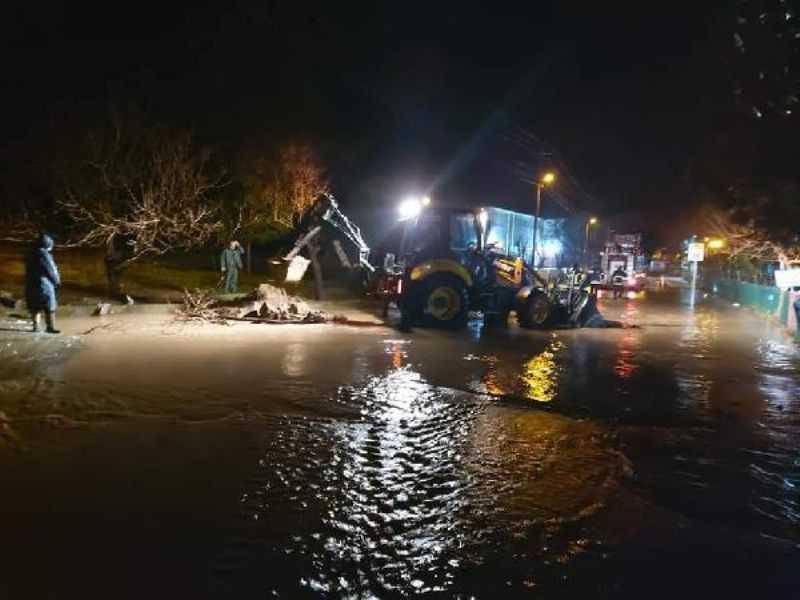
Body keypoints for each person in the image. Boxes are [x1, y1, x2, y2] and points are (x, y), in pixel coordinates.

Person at [25, 233, 61, 334]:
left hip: (31, 284)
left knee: (35, 306)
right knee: (49, 306)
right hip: (44, 285)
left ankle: (36, 327)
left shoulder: (30, 253)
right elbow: (51, 270)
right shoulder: (44, 254)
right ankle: (50, 327)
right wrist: (57, 281)